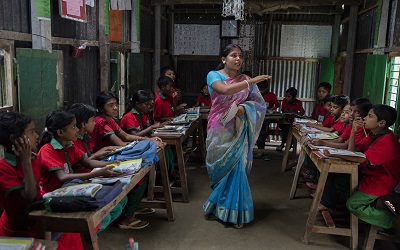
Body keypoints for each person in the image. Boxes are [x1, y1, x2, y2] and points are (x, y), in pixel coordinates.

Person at [203, 44, 270, 228]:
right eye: (233, 55)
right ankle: (219, 207)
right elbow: (224, 91)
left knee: (237, 170)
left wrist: (244, 108)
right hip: (219, 128)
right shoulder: (213, 75)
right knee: (219, 167)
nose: (238, 59)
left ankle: (235, 213)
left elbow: (258, 104)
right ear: (224, 59)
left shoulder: (245, 78)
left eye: (240, 55)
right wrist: (252, 81)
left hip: (239, 128)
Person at [0, 112, 84, 250]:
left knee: (77, 234)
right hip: (19, 230)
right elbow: (30, 196)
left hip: (41, 220)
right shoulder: (4, 168)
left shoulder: (34, 158)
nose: (37, 136)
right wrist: (25, 161)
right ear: (14, 139)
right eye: (32, 132)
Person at [68, 103, 155, 229]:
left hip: (94, 172)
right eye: (92, 120)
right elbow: (77, 167)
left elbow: (89, 161)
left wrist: (110, 162)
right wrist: (101, 158)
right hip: (87, 178)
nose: (115, 108)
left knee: (123, 198)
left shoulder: (88, 135)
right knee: (118, 197)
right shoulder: (74, 141)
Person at [325, 105, 400, 235]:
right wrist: (354, 130)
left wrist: (335, 154)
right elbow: (352, 150)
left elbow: (362, 159)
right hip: (370, 175)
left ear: (381, 123)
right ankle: (360, 212)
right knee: (340, 180)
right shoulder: (373, 134)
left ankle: (393, 222)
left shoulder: (387, 140)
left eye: (370, 116)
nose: (364, 118)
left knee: (353, 205)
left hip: (382, 180)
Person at [89, 91, 162, 153]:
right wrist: (149, 142)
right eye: (111, 106)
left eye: (116, 104)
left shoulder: (110, 120)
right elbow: (121, 144)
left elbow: (126, 136)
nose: (115, 108)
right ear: (101, 109)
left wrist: (148, 139)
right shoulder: (101, 122)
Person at [255, 80, 280, 160]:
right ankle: (259, 151)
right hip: (257, 118)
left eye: (262, 89)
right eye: (259, 89)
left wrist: (271, 110)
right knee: (256, 135)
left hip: (265, 120)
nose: (260, 91)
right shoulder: (255, 94)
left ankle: (261, 151)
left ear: (266, 88)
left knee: (262, 135)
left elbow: (277, 105)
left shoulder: (271, 95)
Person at [276, 87, 305, 151]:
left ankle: (287, 145)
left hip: (293, 122)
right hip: (285, 121)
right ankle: (284, 144)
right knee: (287, 129)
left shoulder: (298, 102)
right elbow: (285, 110)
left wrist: (299, 114)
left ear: (294, 97)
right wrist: (292, 113)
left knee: (292, 129)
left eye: (289, 97)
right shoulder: (284, 101)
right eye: (286, 96)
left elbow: (302, 111)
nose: (287, 98)